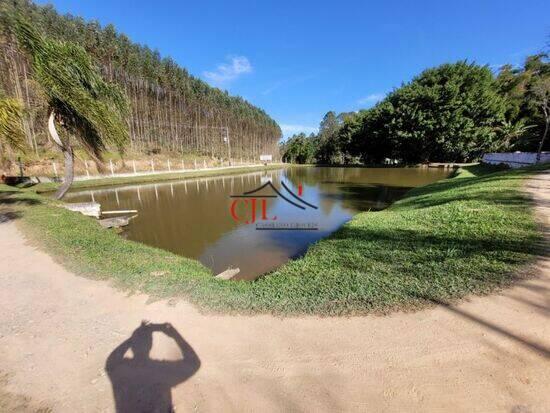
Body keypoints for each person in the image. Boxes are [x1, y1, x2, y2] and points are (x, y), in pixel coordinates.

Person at [105, 321, 200, 413]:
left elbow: (112, 360)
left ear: (132, 346)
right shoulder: (160, 371)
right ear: (150, 345)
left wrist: (133, 339)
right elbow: (194, 363)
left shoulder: (120, 369)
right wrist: (174, 334)